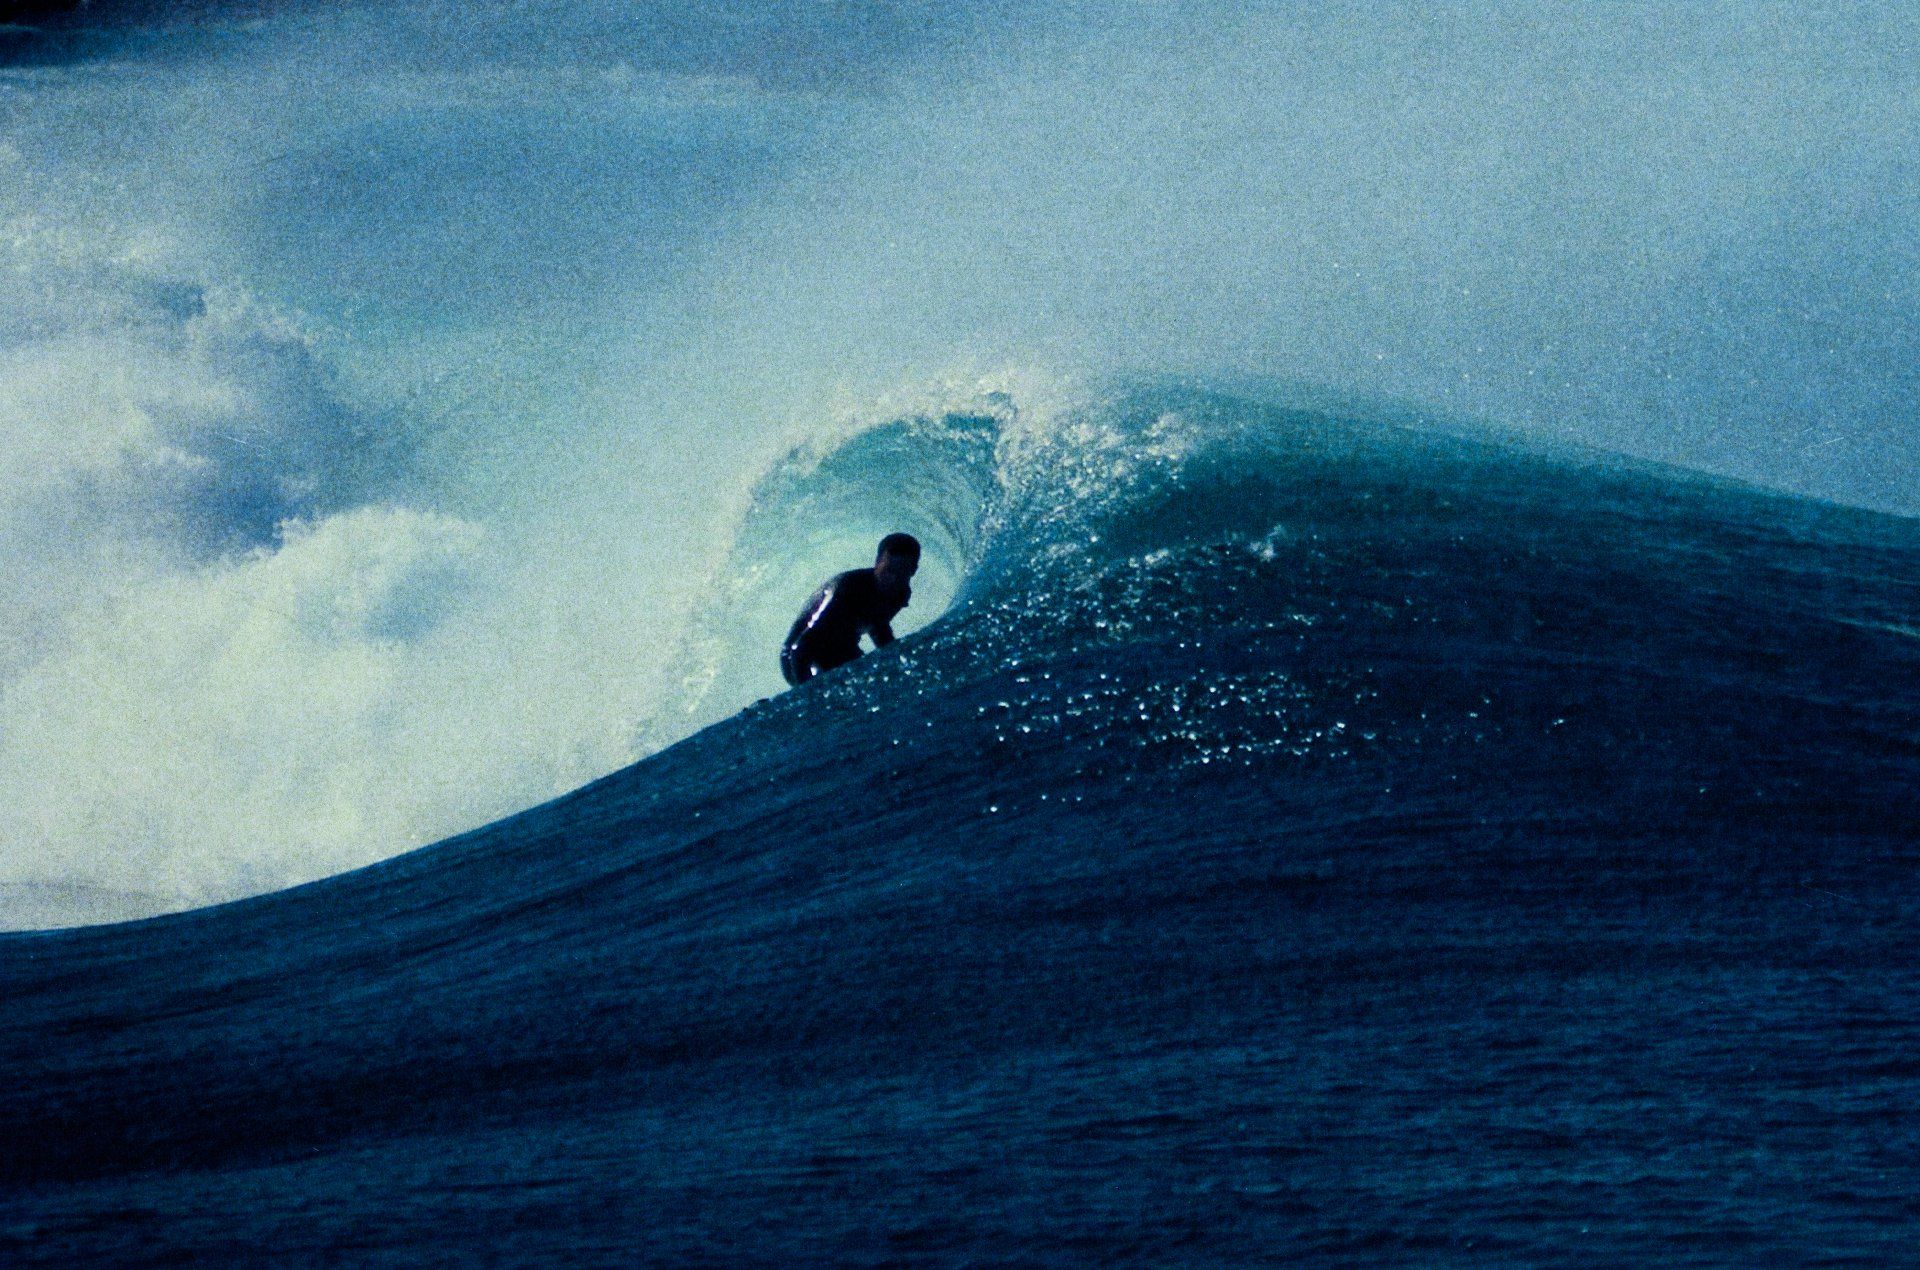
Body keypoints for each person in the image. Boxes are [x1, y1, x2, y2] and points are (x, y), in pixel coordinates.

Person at [780, 533, 921, 687]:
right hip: (797, 656)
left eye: (901, 574)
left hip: (840, 649)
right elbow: (801, 648)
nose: (893, 579)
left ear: (913, 571)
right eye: (888, 571)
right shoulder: (847, 589)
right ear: (877, 562)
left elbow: (878, 627)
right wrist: (808, 694)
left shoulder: (900, 594)